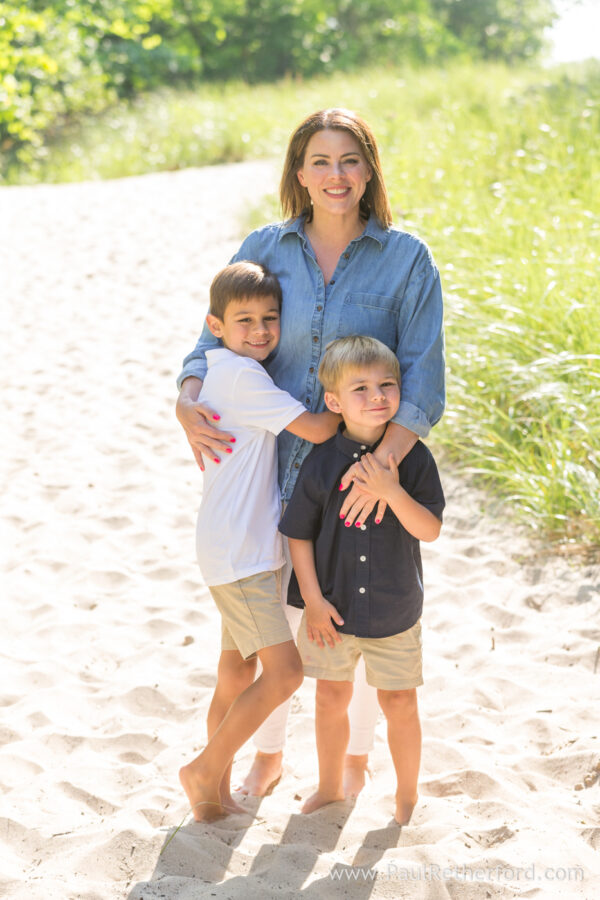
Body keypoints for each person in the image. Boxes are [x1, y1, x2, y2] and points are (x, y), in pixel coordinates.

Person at [176, 107, 445, 798]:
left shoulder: (406, 258)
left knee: (347, 623)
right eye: (320, 162)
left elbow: (423, 377)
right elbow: (212, 341)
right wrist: (185, 396)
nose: (335, 175)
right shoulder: (266, 245)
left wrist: (382, 465)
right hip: (264, 475)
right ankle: (262, 757)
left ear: (368, 170)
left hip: (358, 476)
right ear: (299, 173)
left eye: (349, 161)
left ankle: (349, 762)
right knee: (259, 641)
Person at [179, 261, 340, 822]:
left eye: (270, 319)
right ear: (214, 325)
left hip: (232, 543)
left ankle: (213, 793)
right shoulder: (247, 378)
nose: (261, 331)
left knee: (235, 672)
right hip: (243, 552)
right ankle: (204, 769)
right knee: (286, 671)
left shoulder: (223, 370)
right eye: (244, 319)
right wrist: (351, 398)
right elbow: (317, 430)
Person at [279, 336, 445, 824]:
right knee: (330, 697)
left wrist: (390, 490)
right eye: (361, 388)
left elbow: (429, 530)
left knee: (399, 703)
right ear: (333, 402)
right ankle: (330, 787)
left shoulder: (413, 459)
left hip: (395, 609)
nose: (377, 396)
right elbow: (298, 534)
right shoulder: (322, 460)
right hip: (332, 609)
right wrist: (310, 598)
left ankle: (406, 796)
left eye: (387, 385)